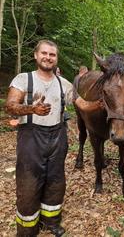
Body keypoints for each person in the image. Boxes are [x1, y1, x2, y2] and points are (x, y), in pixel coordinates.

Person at [5, 40, 74, 236]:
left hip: (57, 137)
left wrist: (103, 100)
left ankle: (50, 221)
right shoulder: (23, 79)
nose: (48, 57)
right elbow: (10, 105)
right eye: (44, 53)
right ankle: (27, 229)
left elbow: (82, 104)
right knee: (29, 183)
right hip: (31, 138)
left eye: (52, 55)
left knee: (55, 181)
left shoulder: (64, 83)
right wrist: (31, 109)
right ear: (36, 55)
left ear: (56, 59)